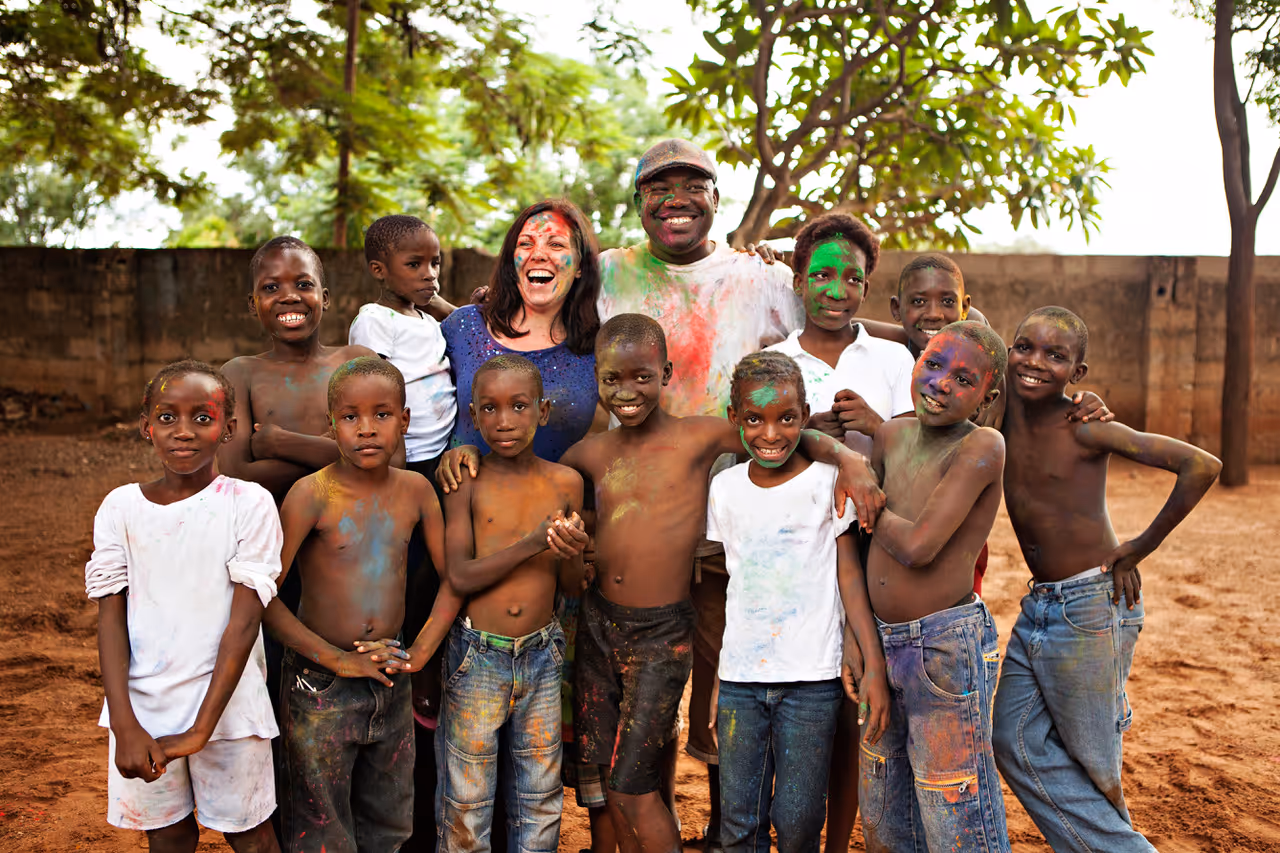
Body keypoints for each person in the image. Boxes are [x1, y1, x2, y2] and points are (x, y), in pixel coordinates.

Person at [556, 314, 879, 853]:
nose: (627, 391)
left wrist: (848, 458)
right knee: (610, 784)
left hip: (662, 631)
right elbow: (559, 513)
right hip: (596, 627)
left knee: (633, 784)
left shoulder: (698, 436)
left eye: (641, 376)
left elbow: (789, 434)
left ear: (666, 372)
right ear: (596, 376)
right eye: (612, 379)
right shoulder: (587, 455)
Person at [596, 140, 805, 849]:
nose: (675, 198)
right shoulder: (608, 273)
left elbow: (833, 331)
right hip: (635, 524)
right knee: (637, 693)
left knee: (728, 682)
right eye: (658, 187)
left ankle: (726, 826)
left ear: (718, 198)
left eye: (693, 185)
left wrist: (935, 335)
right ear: (638, 203)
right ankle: (648, 819)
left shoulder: (759, 280)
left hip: (732, 529)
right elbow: (526, 313)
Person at [992, 307, 1221, 852]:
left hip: (1092, 606)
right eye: (1024, 347)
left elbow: (1201, 465)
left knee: (1094, 764)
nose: (1034, 362)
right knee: (1011, 739)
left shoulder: (1087, 427)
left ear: (1079, 372)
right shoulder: (999, 412)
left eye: (1056, 356)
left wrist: (1139, 546)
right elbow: (950, 323)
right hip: (1041, 606)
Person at [264, 356, 463, 853]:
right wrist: (336, 660)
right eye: (350, 417)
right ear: (331, 425)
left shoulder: (417, 491)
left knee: (389, 821)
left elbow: (453, 581)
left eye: (381, 414)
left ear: (405, 420)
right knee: (319, 824)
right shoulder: (311, 494)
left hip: (392, 674)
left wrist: (418, 653)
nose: (366, 429)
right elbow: (263, 597)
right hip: (320, 683)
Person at [85, 360, 281, 853]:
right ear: (146, 424)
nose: (184, 432)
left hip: (232, 711)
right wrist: (125, 724)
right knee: (168, 837)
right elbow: (110, 620)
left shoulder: (249, 503)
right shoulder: (120, 508)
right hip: (144, 713)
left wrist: (200, 730)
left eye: (203, 417)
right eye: (167, 417)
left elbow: (242, 625)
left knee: (252, 837)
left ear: (228, 428)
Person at [763, 213, 911, 853]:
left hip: (871, 555)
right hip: (791, 562)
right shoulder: (772, 361)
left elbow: (917, 454)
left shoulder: (892, 357)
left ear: (867, 286)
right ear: (798, 279)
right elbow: (753, 455)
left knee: (858, 713)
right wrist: (812, 431)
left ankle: (839, 841)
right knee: (797, 706)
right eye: (821, 274)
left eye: (852, 277)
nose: (836, 289)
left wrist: (876, 425)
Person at [707, 351, 889, 853]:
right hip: (743, 681)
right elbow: (738, 587)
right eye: (754, 419)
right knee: (738, 823)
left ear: (805, 416)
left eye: (786, 418)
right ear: (733, 418)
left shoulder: (828, 483)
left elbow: (849, 575)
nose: (770, 434)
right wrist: (722, 678)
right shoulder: (724, 490)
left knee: (799, 822)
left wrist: (872, 661)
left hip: (812, 681)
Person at [862, 321, 1011, 853]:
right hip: (880, 641)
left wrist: (865, 498)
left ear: (987, 396)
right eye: (934, 364)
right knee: (885, 803)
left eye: (964, 378)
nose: (942, 383)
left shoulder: (981, 445)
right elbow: (858, 554)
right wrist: (861, 647)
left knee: (955, 807)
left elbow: (920, 546)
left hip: (943, 647)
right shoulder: (890, 436)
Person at [437, 354, 590, 853]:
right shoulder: (467, 482)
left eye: (519, 406)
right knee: (467, 798)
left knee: (540, 795)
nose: (504, 421)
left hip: (543, 654)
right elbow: (459, 574)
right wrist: (533, 542)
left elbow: (570, 585)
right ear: (474, 415)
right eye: (490, 408)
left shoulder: (566, 482)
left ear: (542, 411)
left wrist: (572, 549)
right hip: (477, 654)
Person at [348, 214, 458, 850]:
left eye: (435, 262)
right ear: (379, 272)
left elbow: (450, 316)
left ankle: (428, 676)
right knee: (410, 574)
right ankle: (409, 683)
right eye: (414, 265)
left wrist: (443, 297)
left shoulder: (426, 317)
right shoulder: (374, 318)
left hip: (441, 463)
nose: (429, 275)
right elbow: (372, 384)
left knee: (439, 570)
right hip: (400, 462)